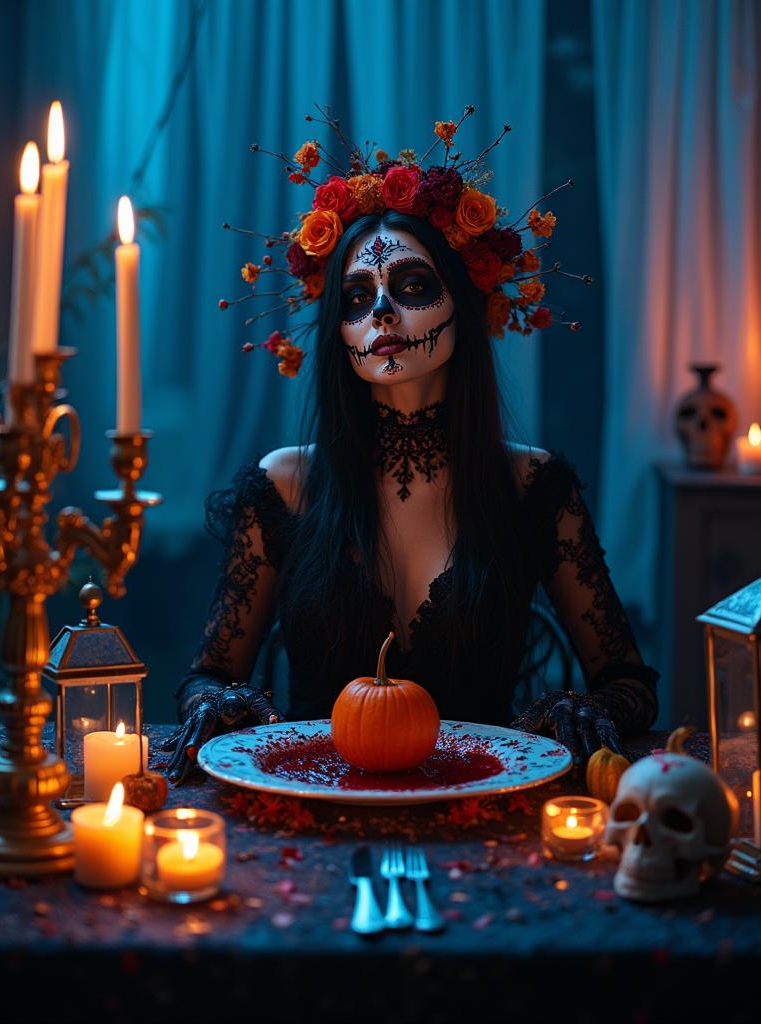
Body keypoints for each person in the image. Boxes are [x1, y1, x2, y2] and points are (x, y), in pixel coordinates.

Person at [163, 119, 658, 784]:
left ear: (466, 299)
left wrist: (583, 710)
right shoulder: (283, 485)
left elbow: (627, 680)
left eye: (413, 287)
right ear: (339, 330)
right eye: (358, 299)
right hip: (312, 813)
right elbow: (208, 676)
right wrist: (219, 702)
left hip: (487, 813)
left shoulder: (531, 485)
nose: (383, 316)